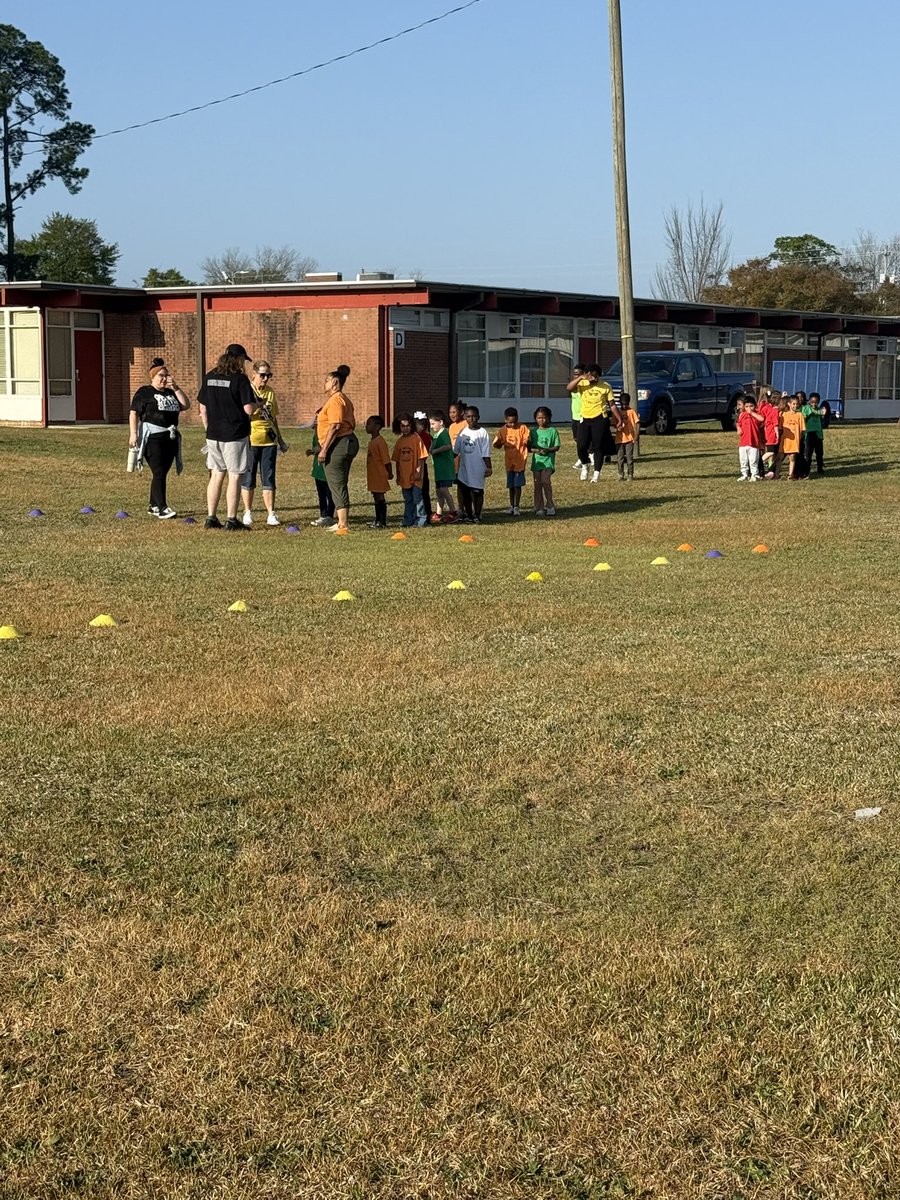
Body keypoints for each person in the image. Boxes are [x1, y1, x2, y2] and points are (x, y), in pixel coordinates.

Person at [198, 343, 255, 530]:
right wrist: (259, 405)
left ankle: (211, 517)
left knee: (216, 475)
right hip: (234, 434)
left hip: (213, 434)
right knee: (235, 476)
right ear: (238, 360)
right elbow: (248, 409)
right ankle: (231, 519)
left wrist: (209, 428)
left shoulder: (210, 376)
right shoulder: (240, 379)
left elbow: (203, 408)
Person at [129, 361, 190, 518]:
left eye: (166, 375)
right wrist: (133, 433)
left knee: (162, 472)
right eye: (160, 376)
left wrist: (175, 387)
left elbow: (185, 405)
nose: (164, 379)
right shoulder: (145, 392)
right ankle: (162, 507)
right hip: (152, 438)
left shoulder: (170, 393)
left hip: (169, 437)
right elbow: (134, 412)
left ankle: (153, 505)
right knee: (159, 471)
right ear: (153, 377)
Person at [316, 365, 358, 533]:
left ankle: (343, 523)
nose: (324, 384)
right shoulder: (344, 399)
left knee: (337, 483)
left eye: (326, 381)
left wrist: (324, 450)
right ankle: (341, 520)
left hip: (339, 443)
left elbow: (335, 426)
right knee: (339, 482)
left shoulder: (335, 400)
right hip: (346, 441)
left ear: (334, 382)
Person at [240, 360, 282, 526]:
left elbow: (274, 417)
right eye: (262, 375)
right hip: (251, 438)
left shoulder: (270, 392)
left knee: (269, 477)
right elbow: (245, 414)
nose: (265, 379)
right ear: (254, 374)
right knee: (248, 476)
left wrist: (280, 438)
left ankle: (271, 513)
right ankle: (247, 511)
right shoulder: (247, 390)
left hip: (269, 441)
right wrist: (257, 406)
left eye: (268, 375)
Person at [570, 364, 619, 482]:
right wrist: (581, 377)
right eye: (590, 375)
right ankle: (585, 465)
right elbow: (569, 388)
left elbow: (612, 405)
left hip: (600, 418)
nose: (593, 378)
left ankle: (596, 473)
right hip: (585, 418)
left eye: (595, 375)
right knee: (581, 446)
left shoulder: (605, 386)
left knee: (597, 446)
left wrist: (618, 419)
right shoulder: (582, 384)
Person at [453, 406, 492, 522]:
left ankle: (477, 514)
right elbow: (456, 451)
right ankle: (468, 515)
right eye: (469, 416)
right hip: (464, 468)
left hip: (477, 468)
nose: (471, 419)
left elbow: (486, 453)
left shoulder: (483, 433)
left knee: (477, 492)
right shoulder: (462, 432)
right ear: (465, 417)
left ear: (478, 417)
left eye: (474, 416)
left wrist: (489, 467)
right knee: (465, 492)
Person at [391, 413, 428, 527]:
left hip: (415, 476)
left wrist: (418, 472)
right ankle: (408, 520)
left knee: (417, 498)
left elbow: (421, 458)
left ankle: (421, 520)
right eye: (402, 426)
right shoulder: (399, 442)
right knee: (408, 499)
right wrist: (398, 475)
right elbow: (397, 460)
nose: (405, 428)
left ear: (412, 425)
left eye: (407, 426)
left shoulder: (416, 439)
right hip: (404, 477)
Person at [492, 406, 530, 515]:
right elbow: (497, 445)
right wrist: (498, 442)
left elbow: (527, 440)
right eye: (510, 422)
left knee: (517, 485)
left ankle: (517, 506)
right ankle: (511, 505)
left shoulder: (522, 428)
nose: (512, 425)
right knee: (511, 485)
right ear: (505, 420)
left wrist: (527, 442)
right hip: (509, 462)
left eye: (514, 422)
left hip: (520, 461)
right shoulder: (503, 430)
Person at [528, 405, 560, 517]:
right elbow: (529, 447)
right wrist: (536, 450)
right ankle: (539, 507)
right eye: (539, 418)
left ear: (549, 418)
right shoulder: (533, 432)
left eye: (544, 418)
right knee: (537, 484)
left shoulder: (553, 431)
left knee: (545, 481)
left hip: (548, 461)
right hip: (537, 461)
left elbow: (557, 446)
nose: (542, 420)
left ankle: (550, 504)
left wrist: (547, 450)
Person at [428, 410, 458, 522]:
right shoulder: (436, 435)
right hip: (439, 469)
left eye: (433, 423)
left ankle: (453, 511)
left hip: (445, 468)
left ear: (440, 422)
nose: (431, 426)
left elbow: (448, 446)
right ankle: (438, 513)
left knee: (444, 490)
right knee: (439, 491)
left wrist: (436, 451)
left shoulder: (444, 433)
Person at [365, 414, 392, 528]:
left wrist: (389, 473)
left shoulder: (380, 442)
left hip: (380, 474)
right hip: (373, 475)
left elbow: (386, 460)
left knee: (380, 497)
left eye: (369, 424)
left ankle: (382, 521)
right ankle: (377, 520)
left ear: (377, 427)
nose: (366, 426)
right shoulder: (372, 441)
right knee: (375, 496)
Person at [306, 428, 335, 526]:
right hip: (318, 468)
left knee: (329, 493)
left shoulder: (328, 432)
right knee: (321, 494)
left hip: (326, 467)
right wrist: (312, 451)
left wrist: (321, 448)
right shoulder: (316, 434)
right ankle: (323, 515)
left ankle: (329, 515)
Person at [778, 394, 806, 481]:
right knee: (779, 457)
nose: (795, 406)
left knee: (792, 458)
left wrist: (799, 439)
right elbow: (780, 428)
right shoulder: (784, 415)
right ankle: (776, 474)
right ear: (789, 404)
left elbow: (803, 429)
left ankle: (790, 475)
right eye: (793, 404)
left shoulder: (800, 415)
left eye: (796, 404)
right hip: (785, 440)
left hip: (794, 441)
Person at [736, 395, 764, 481]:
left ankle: (754, 474)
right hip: (743, 442)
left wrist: (752, 413)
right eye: (747, 406)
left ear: (755, 406)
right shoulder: (742, 415)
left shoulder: (757, 414)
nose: (749, 408)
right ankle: (744, 474)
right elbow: (738, 423)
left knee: (753, 460)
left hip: (754, 442)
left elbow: (762, 419)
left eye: (751, 406)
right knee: (743, 459)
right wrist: (738, 428)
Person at [448, 401, 468, 517]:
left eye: (454, 412)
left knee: (467, 485)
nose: (452, 414)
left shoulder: (465, 424)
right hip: (455, 460)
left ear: (461, 412)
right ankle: (461, 509)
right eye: (450, 412)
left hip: (465, 459)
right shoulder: (451, 427)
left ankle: (470, 508)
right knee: (459, 485)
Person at [615, 392, 639, 482]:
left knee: (629, 458)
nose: (624, 406)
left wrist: (636, 435)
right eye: (622, 404)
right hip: (619, 439)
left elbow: (637, 423)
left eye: (626, 404)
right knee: (620, 458)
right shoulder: (617, 412)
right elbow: (614, 423)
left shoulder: (631, 412)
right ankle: (621, 474)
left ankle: (630, 474)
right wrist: (618, 427)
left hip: (629, 439)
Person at [757, 388, 781, 480]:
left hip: (768, 433)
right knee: (770, 452)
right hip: (772, 434)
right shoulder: (775, 411)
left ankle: (770, 470)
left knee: (772, 452)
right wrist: (777, 434)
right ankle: (758, 463)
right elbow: (775, 424)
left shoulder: (771, 410)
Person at [413, 414, 434, 520]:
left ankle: (423, 513)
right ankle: (426, 512)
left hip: (419, 465)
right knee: (423, 491)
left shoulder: (422, 436)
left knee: (421, 491)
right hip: (420, 465)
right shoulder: (426, 436)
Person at [568, 362, 587, 468]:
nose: (576, 376)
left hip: (583, 415)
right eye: (574, 374)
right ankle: (583, 456)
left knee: (583, 439)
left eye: (578, 374)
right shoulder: (574, 384)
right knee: (576, 438)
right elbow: (570, 388)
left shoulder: (585, 385)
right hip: (574, 416)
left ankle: (585, 457)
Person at [803, 392, 826, 475]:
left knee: (819, 452)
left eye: (816, 402)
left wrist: (824, 415)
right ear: (809, 401)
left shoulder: (819, 409)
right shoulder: (806, 408)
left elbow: (823, 421)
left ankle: (820, 468)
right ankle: (806, 470)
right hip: (809, 433)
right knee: (808, 453)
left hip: (818, 433)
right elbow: (803, 419)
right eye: (812, 402)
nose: (814, 404)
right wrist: (810, 414)